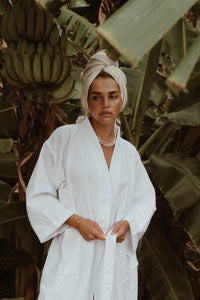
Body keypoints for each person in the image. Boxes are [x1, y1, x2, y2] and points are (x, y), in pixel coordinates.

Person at [26, 49, 156, 300]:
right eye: (96, 97)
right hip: (73, 258)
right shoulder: (63, 141)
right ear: (86, 99)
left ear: (122, 99)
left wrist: (127, 223)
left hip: (115, 260)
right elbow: (38, 196)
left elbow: (144, 200)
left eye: (112, 96)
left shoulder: (128, 154)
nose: (105, 105)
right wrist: (76, 221)